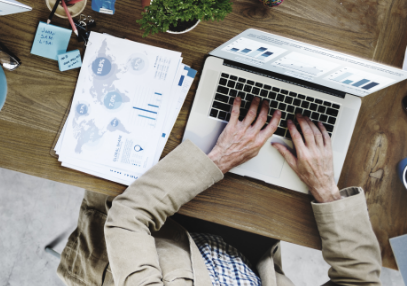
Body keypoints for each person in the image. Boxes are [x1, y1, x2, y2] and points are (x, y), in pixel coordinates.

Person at [58, 97, 382, 286]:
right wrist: (325, 189)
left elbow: (129, 217)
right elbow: (360, 280)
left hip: (146, 209)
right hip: (240, 234)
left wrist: (220, 158)